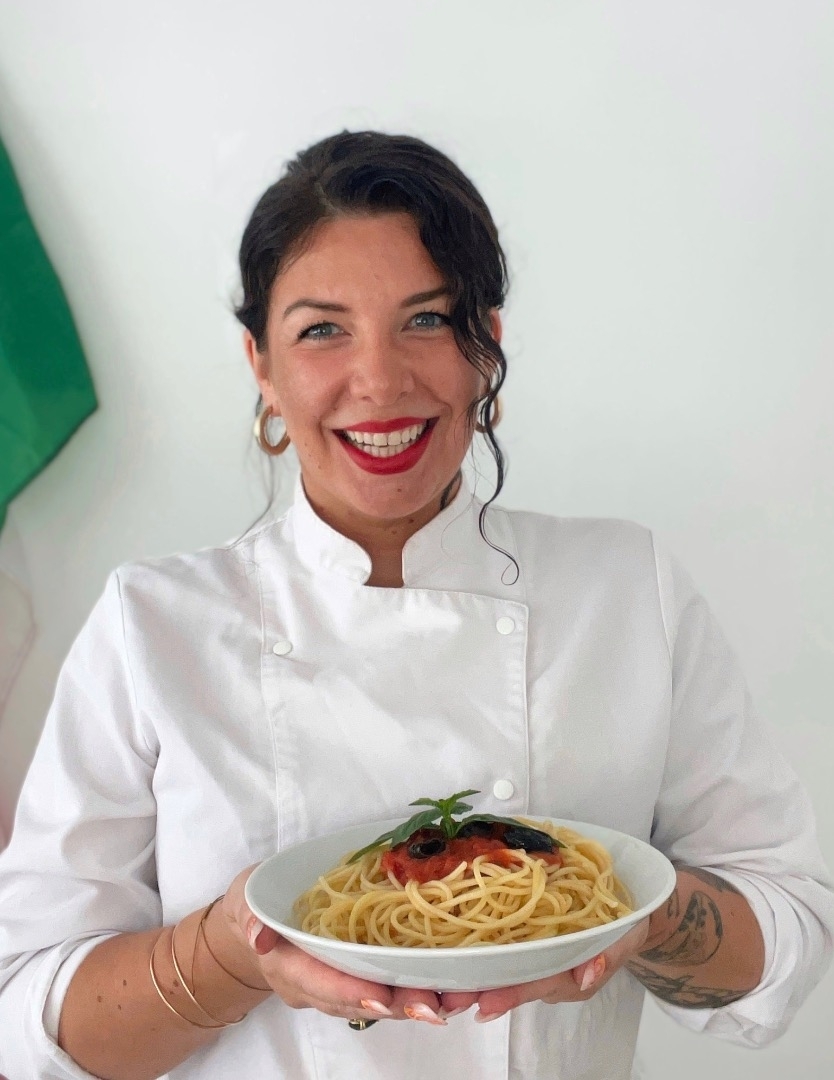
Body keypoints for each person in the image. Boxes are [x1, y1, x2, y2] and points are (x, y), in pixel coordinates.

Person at [0, 130, 831, 1080]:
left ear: (488, 345)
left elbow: (789, 937)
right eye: (322, 330)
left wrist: (633, 913)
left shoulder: (626, 587)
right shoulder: (152, 625)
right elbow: (26, 1021)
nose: (381, 381)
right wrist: (236, 953)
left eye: (428, 320)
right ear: (261, 364)